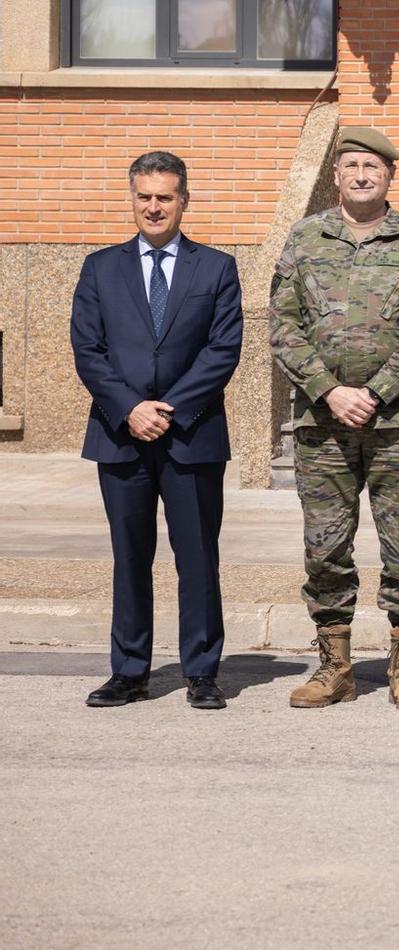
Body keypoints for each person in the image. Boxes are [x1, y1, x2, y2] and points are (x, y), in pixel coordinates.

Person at [270, 126, 399, 712]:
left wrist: (372, 392)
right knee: (325, 548)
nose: (362, 175)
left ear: (390, 176)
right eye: (351, 165)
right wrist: (328, 391)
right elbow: (283, 326)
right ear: (337, 175)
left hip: (397, 426)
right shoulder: (304, 238)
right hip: (323, 426)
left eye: (373, 166)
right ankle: (335, 666)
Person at [70, 152, 243, 710]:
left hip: (192, 435)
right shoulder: (100, 267)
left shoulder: (215, 268)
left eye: (164, 196)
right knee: (130, 555)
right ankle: (129, 670)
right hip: (121, 435)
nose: (153, 206)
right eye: (144, 196)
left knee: (197, 557)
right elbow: (88, 350)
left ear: (183, 201)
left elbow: (223, 350)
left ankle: (201, 671)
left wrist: (167, 408)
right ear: (132, 198)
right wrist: (130, 409)